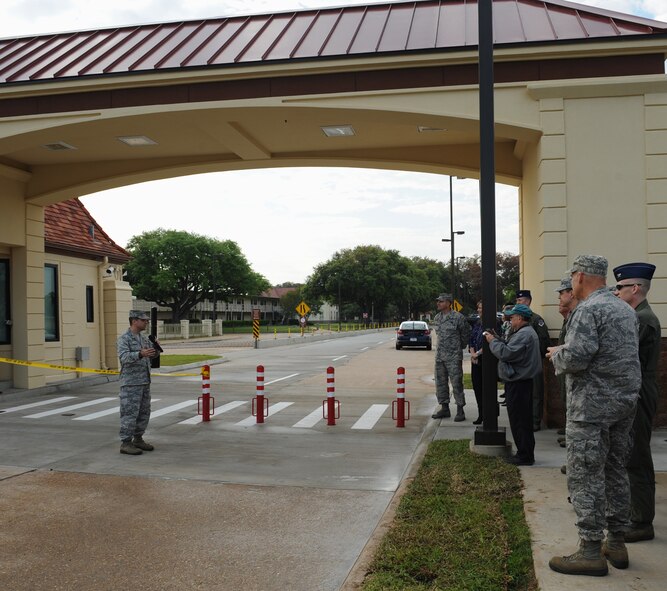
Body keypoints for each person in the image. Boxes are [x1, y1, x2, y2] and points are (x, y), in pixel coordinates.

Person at [547, 255, 640, 577]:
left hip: (591, 407)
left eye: (572, 276)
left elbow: (578, 358)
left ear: (581, 276)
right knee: (615, 470)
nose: (571, 282)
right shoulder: (623, 308)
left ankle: (589, 551)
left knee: (586, 474)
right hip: (623, 403)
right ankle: (616, 542)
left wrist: (559, 355)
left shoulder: (588, 310)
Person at [612, 262, 661, 543]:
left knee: (638, 456)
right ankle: (635, 512)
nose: (616, 292)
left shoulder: (642, 319)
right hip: (637, 388)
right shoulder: (637, 315)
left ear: (635, 288)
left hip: (640, 391)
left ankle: (642, 521)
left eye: (620, 287)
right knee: (631, 453)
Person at [485, 304, 542, 466]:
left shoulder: (524, 334)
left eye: (512, 317)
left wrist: (492, 342)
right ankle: (525, 453)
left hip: (519, 383)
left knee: (519, 421)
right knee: (521, 420)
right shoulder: (523, 332)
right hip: (519, 382)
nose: (510, 320)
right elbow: (511, 348)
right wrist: (498, 339)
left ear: (520, 318)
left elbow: (506, 353)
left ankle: (524, 456)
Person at [116, 309, 160, 455]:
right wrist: (140, 354)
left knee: (143, 412)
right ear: (134, 321)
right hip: (130, 383)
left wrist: (156, 349)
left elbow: (151, 357)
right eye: (143, 320)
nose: (146, 322)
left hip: (144, 382)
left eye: (147, 320)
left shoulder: (144, 339)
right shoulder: (124, 339)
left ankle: (138, 438)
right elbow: (124, 358)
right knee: (129, 413)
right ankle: (126, 442)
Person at [431, 293, 471, 421]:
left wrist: (459, 348)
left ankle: (460, 409)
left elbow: (465, 334)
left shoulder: (458, 317)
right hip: (440, 357)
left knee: (456, 383)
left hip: (453, 356)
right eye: (438, 301)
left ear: (448, 303)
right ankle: (444, 408)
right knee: (440, 383)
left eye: (441, 301)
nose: (438, 303)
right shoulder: (437, 317)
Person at [516, 289, 550, 431]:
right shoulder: (517, 319)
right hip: (521, 362)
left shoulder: (536, 319)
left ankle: (535, 420)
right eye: (517, 301)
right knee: (522, 391)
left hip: (533, 361)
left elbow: (544, 340)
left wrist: (537, 357)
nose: (518, 303)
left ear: (528, 301)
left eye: (521, 300)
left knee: (536, 392)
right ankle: (524, 417)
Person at [555, 273, 579, 452]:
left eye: (561, 293)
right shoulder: (571, 318)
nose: (559, 298)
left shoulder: (580, 315)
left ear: (571, 293)